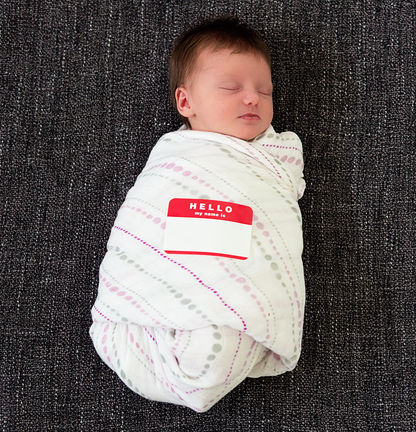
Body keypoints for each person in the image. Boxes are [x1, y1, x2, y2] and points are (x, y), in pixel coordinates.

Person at [89, 17, 306, 413]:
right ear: (186, 102)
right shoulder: (175, 157)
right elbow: (147, 210)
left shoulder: (277, 155)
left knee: (224, 340)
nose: (252, 98)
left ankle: (214, 353)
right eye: (231, 87)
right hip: (171, 273)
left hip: (237, 290)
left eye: (264, 90)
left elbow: (281, 201)